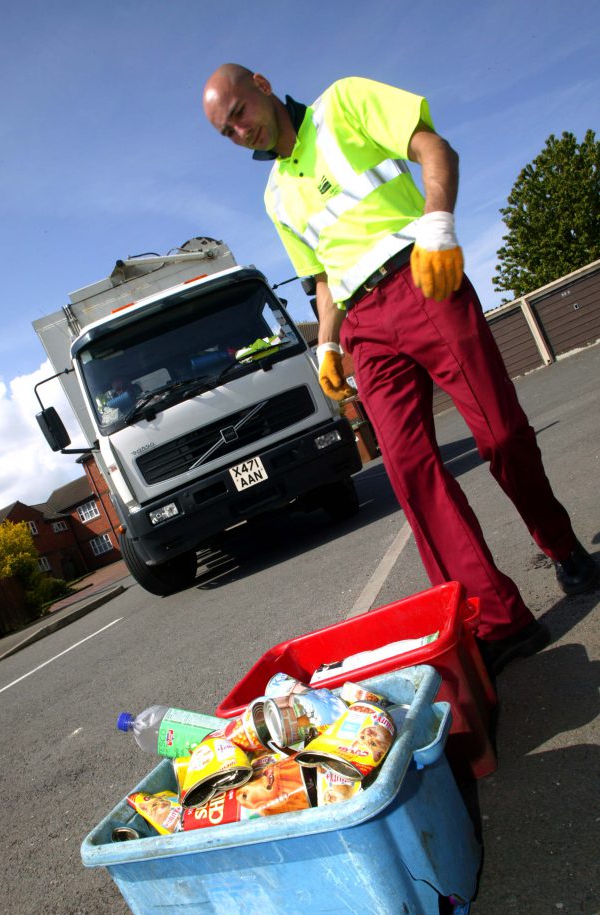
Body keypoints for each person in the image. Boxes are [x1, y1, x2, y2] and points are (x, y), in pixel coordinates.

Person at [202, 65, 598, 676]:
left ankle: (563, 545)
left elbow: (434, 149)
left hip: (420, 275)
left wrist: (439, 225)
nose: (240, 131)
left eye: (239, 112)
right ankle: (499, 622)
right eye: (227, 131)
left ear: (260, 83)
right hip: (362, 324)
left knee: (501, 435)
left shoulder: (344, 102)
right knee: (411, 472)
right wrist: (329, 347)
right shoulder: (275, 194)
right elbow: (321, 279)